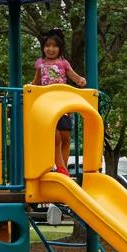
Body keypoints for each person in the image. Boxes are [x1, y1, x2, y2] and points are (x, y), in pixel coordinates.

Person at [32, 28, 86, 175]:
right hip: (47, 103)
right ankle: (61, 168)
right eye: (47, 46)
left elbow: (72, 75)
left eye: (55, 46)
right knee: (55, 138)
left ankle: (63, 166)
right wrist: (29, 90)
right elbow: (36, 82)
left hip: (62, 103)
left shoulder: (63, 63)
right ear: (43, 48)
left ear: (60, 48)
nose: (51, 49)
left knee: (65, 137)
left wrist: (80, 80)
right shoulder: (40, 63)